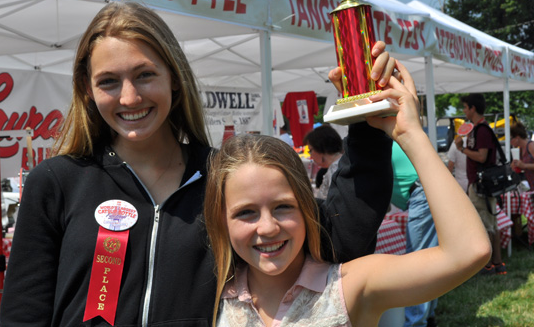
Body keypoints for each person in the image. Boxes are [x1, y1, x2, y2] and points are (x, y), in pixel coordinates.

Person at [0, 1, 398, 326]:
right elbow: (23, 315)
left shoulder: (222, 177)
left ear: (174, 77)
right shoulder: (55, 181)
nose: (129, 97)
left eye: (144, 75)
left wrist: (367, 119)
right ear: (87, 90)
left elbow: (338, 235)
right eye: (108, 82)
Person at [204, 62, 491, 327]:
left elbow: (468, 252)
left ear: (307, 207)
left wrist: (410, 134)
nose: (267, 227)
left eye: (283, 207)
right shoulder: (209, 294)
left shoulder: (347, 287)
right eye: (245, 212)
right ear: (221, 219)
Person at [454, 93, 506, 275]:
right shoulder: (480, 129)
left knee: (485, 225)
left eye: (465, 107)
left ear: (472, 108)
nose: (464, 111)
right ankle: (498, 264)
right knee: (492, 224)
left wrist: (462, 149)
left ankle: (488, 265)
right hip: (483, 184)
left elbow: (482, 156)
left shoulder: (481, 130)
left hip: (480, 184)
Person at [391, 142, 438, 327]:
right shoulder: (390, 141)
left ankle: (416, 323)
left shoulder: (379, 143)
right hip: (426, 193)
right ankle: (428, 317)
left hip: (422, 195)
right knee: (430, 260)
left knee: (419, 264)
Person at [303, 124, 343, 199]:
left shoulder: (336, 169)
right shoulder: (339, 164)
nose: (311, 156)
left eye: (310, 150)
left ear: (320, 147)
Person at [510, 121, 534, 186]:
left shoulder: (531, 146)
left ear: (517, 138)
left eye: (511, 139)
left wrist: (524, 165)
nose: (510, 142)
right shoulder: (520, 149)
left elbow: (525, 165)